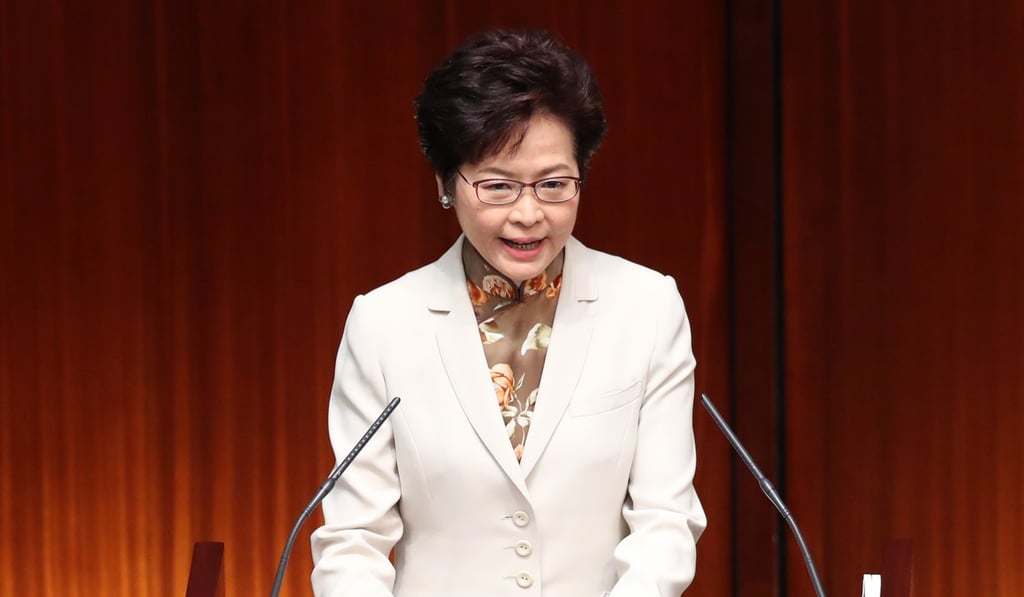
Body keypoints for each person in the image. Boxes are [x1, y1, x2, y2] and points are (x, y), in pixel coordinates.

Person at [310, 28, 706, 597]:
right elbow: (353, 541)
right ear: (446, 184)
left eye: (554, 184)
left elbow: (665, 523)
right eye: (497, 186)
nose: (528, 214)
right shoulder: (383, 324)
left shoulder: (646, 308)